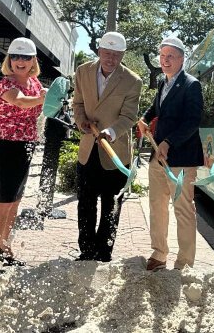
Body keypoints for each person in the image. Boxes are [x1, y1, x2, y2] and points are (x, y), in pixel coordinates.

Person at [72, 32, 142, 261]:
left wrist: (110, 132)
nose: (110, 59)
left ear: (122, 55)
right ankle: (86, 250)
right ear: (99, 51)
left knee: (111, 206)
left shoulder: (133, 81)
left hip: (115, 153)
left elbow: (129, 116)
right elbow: (78, 102)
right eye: (107, 53)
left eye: (116, 55)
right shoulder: (83, 71)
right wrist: (81, 121)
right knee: (86, 203)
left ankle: (104, 253)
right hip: (88, 149)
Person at [0, 37, 47, 274]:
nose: (20, 61)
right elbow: (21, 102)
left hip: (26, 145)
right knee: (4, 201)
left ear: (33, 61)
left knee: (15, 202)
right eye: (16, 57)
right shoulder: (5, 84)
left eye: (26, 57)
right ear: (9, 59)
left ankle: (5, 249)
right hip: (4, 145)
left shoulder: (36, 84)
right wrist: (44, 97)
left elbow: (43, 108)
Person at [137, 36, 204, 271]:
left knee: (183, 209)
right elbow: (156, 108)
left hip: (182, 159)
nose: (165, 60)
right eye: (162, 55)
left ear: (182, 59)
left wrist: (168, 142)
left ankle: (185, 262)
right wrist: (144, 119)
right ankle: (159, 253)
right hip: (159, 157)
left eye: (171, 56)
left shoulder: (191, 85)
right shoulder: (164, 83)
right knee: (156, 204)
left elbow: (192, 121)